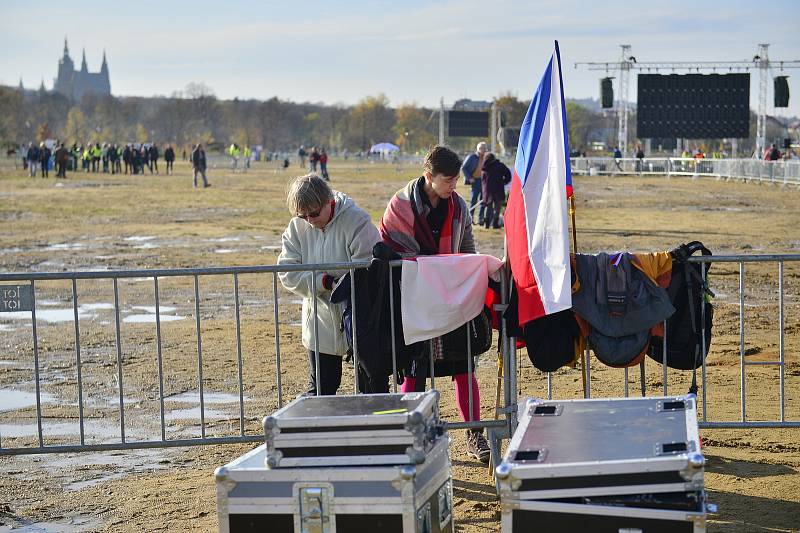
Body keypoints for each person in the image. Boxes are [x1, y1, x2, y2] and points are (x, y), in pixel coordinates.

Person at [379, 145, 490, 464]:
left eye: (456, 179)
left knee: (464, 366)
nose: (454, 185)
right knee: (413, 369)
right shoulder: (399, 205)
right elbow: (393, 248)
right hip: (414, 299)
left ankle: (474, 433)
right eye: (448, 180)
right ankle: (408, 431)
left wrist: (468, 270)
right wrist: (426, 269)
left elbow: (467, 247)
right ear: (429, 176)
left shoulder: (460, 207)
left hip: (451, 299)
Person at [278, 174, 381, 396]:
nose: (309, 220)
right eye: (302, 216)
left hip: (361, 321)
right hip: (319, 322)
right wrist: (322, 282)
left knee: (371, 389)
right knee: (321, 390)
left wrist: (342, 284)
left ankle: (376, 429)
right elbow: (287, 272)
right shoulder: (297, 228)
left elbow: (370, 269)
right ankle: (318, 430)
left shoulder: (357, 221)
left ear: (329, 202)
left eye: (314, 213)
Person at [481, 153, 511, 229]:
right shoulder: (500, 165)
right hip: (498, 188)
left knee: (488, 207)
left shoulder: (484, 166)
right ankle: (495, 224)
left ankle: (486, 225)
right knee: (497, 207)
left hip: (488, 189)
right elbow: (508, 174)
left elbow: (483, 180)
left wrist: (484, 188)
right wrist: (504, 182)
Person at [461, 142, 488, 225]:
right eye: (482, 148)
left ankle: (481, 219)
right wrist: (470, 178)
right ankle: (470, 218)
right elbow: (464, 168)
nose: (483, 150)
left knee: (483, 200)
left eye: (484, 148)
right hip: (475, 181)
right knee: (474, 200)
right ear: (478, 149)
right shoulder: (472, 157)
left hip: (484, 182)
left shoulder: (487, 157)